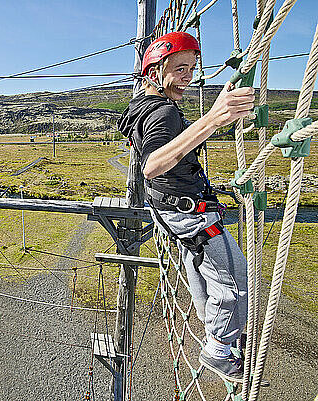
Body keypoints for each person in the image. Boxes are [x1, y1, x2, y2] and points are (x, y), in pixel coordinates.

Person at [118, 31, 254, 382]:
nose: (188, 77)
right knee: (236, 280)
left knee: (198, 263)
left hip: (167, 209)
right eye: (180, 69)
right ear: (153, 74)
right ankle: (219, 348)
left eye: (191, 69)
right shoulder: (163, 112)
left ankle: (214, 324)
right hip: (189, 211)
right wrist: (212, 119)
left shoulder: (142, 106)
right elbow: (152, 164)